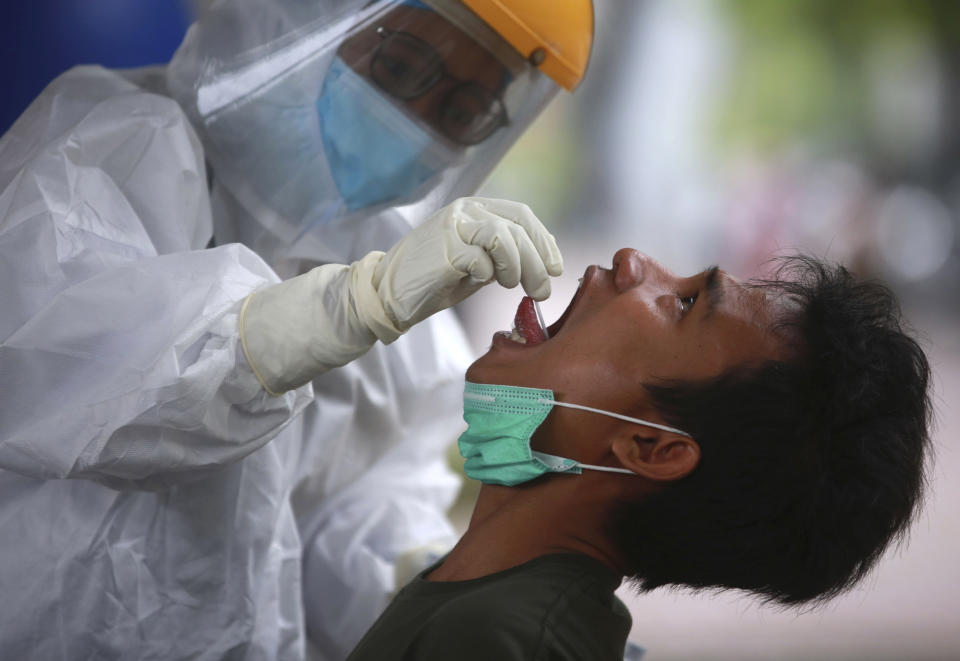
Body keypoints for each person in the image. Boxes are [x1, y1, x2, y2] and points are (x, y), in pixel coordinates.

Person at [0, 0, 594, 659]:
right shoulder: (109, 149)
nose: (419, 122)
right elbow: (65, 370)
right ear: (296, 20)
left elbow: (355, 511)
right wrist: (342, 312)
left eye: (463, 111)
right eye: (401, 65)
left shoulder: (397, 286)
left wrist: (425, 589)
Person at [346, 247, 932, 661]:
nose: (631, 261)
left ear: (651, 448)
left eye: (682, 304)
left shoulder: (503, 639)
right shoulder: (495, 608)